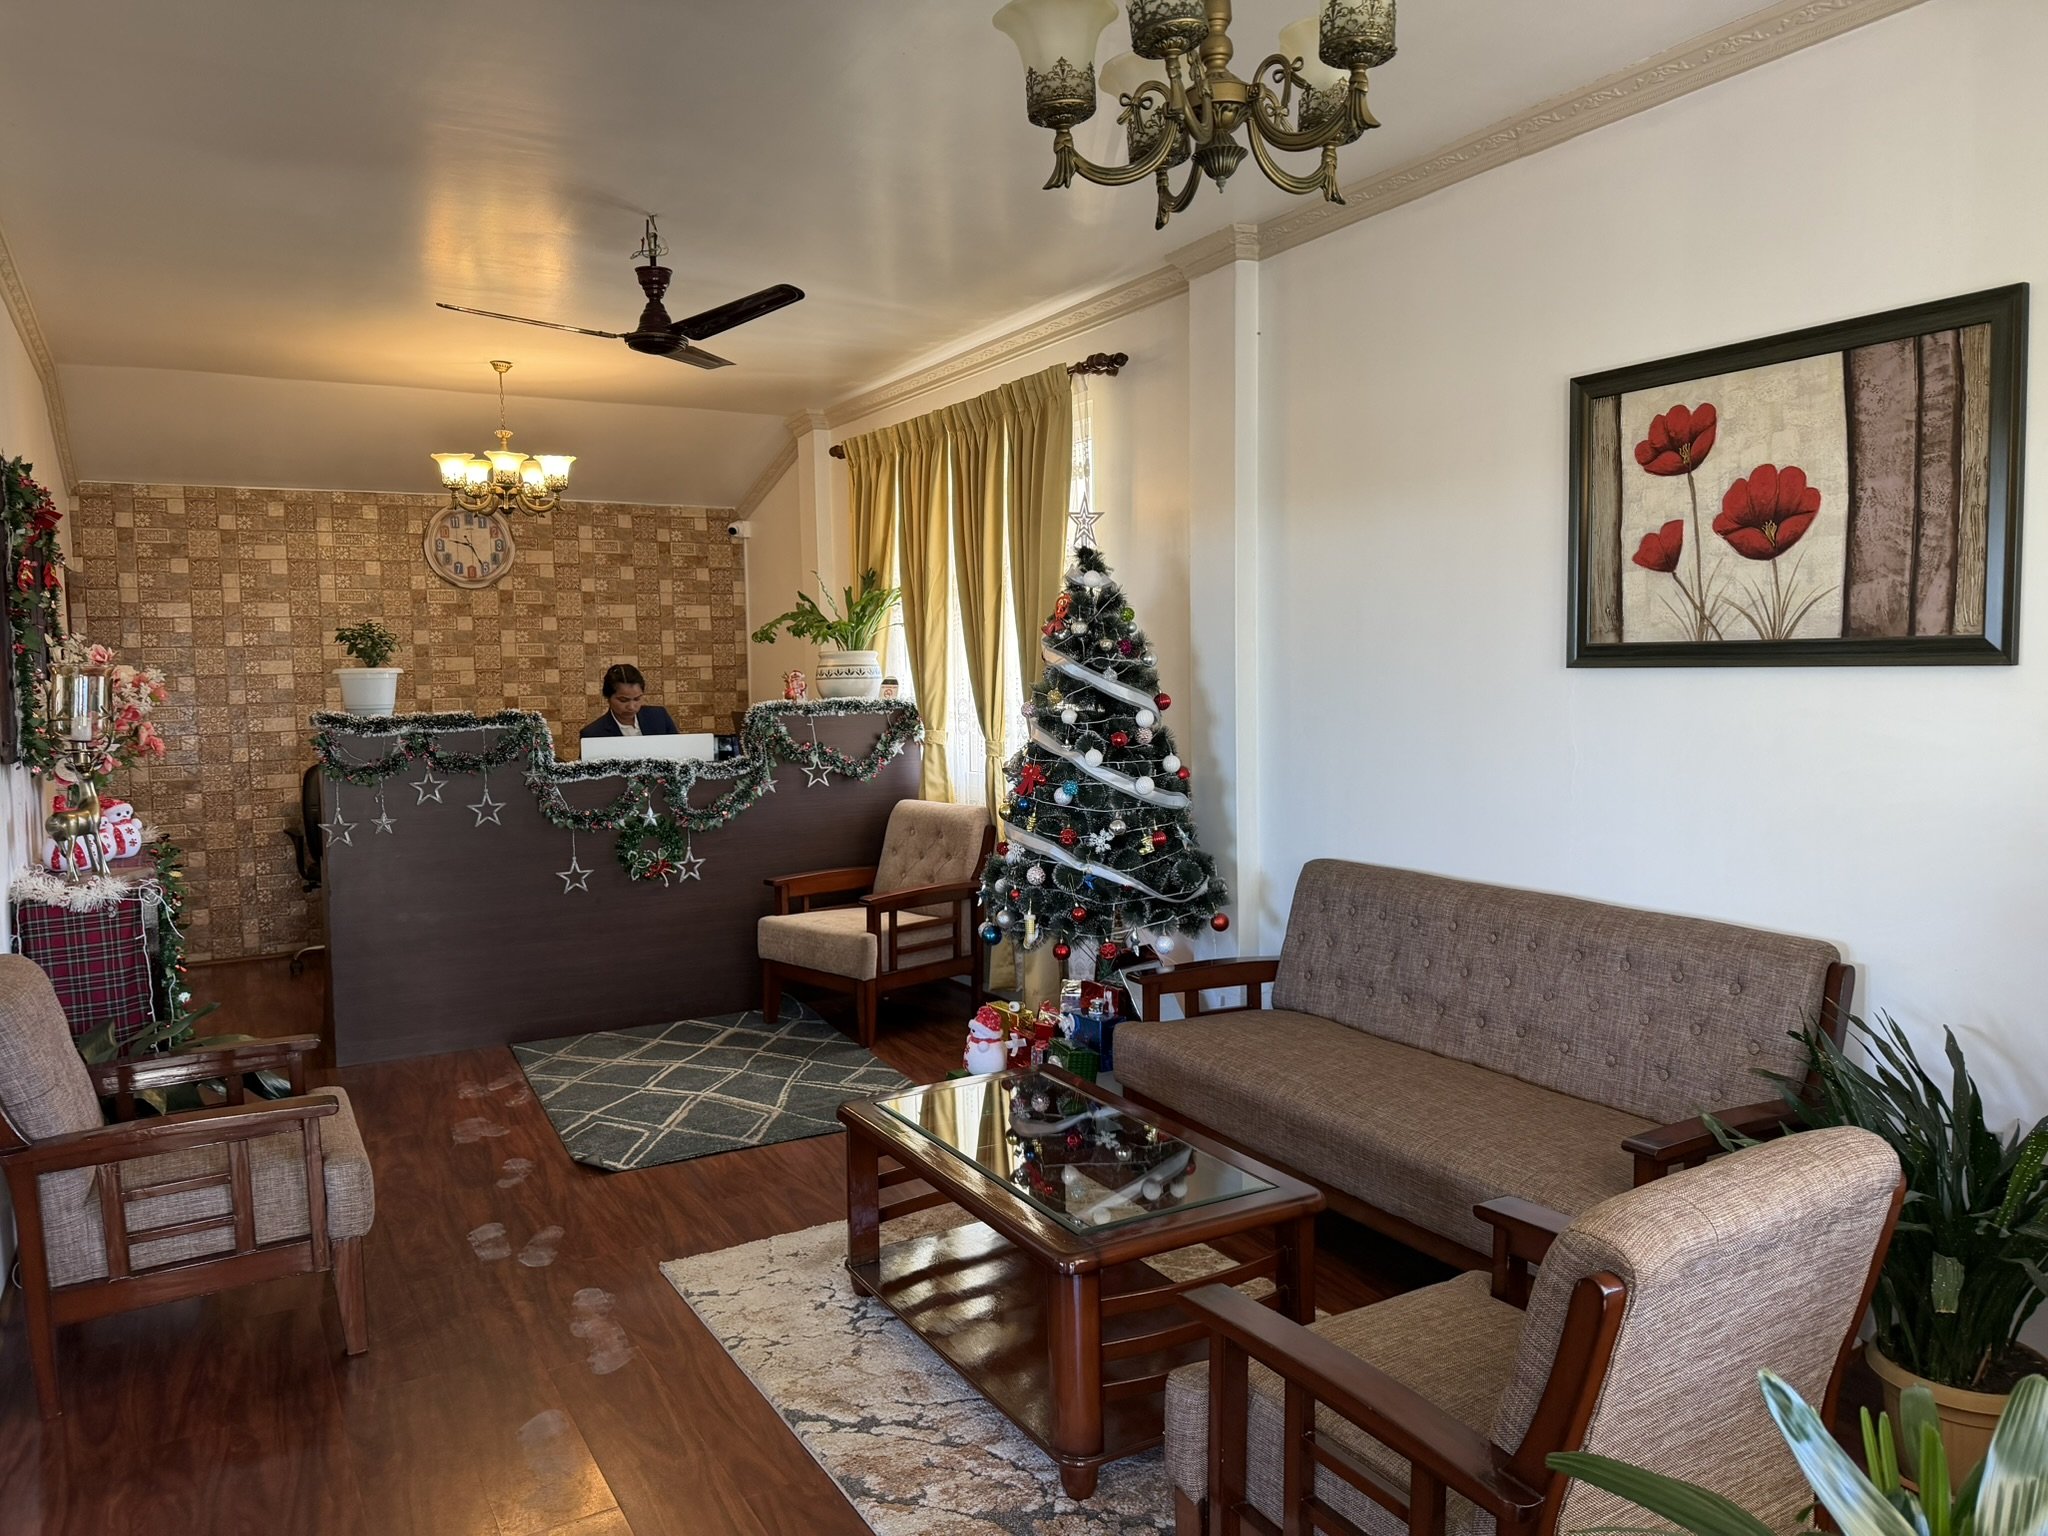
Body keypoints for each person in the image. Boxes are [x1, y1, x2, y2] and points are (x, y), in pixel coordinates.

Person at [581, 664, 679, 738]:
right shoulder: (593, 734)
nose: (631, 707)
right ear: (608, 698)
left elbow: (677, 752)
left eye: (637, 699)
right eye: (623, 700)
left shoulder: (659, 717)